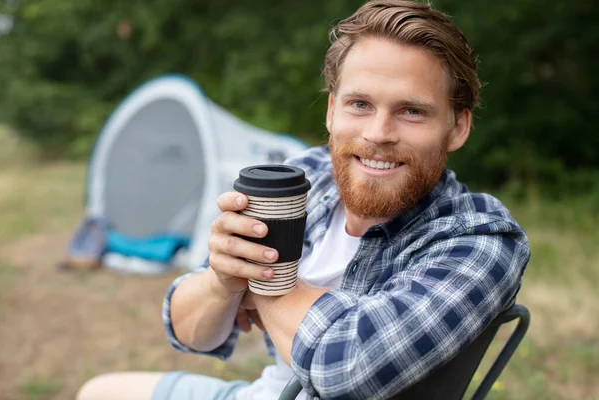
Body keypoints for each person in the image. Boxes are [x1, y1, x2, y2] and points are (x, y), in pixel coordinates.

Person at [77, 0, 531, 399]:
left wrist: (263, 280)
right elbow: (187, 332)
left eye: (412, 111)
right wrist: (221, 281)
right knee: (98, 391)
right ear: (332, 110)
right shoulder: (306, 177)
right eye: (360, 104)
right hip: (266, 392)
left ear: (457, 127)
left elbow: (348, 369)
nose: (378, 133)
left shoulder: (482, 239)